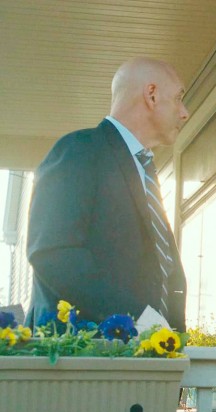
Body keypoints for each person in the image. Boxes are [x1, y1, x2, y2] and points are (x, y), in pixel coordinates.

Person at [25, 57, 190, 331]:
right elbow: (53, 254)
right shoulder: (80, 151)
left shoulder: (143, 168)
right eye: (178, 98)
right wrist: (138, 319)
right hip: (84, 350)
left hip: (148, 350)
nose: (184, 113)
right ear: (151, 95)